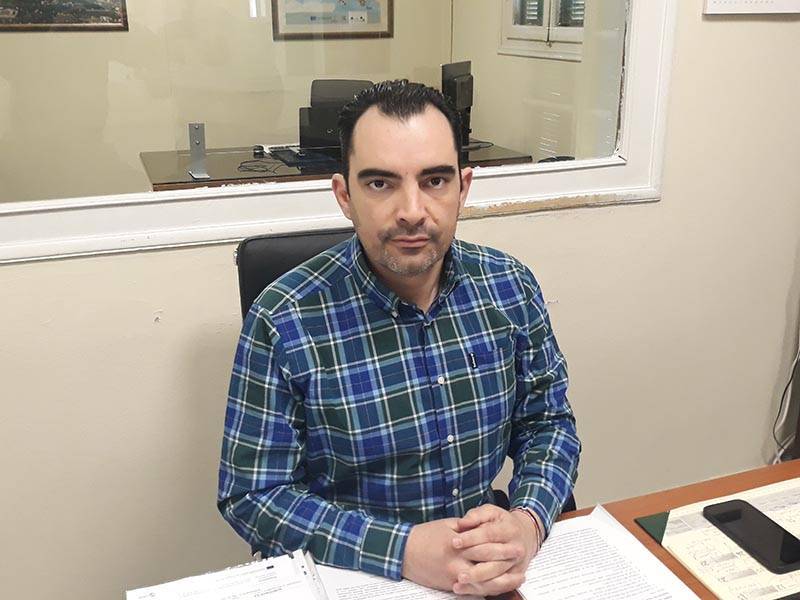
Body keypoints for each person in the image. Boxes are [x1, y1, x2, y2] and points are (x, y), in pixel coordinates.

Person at [218, 80, 580, 596]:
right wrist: (404, 549)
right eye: (381, 183)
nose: (412, 209)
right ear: (345, 196)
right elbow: (254, 494)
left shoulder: (509, 286)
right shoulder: (284, 318)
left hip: (487, 569)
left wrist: (527, 522)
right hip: (357, 576)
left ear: (463, 188)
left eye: (434, 180)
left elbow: (548, 423)